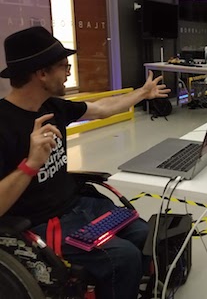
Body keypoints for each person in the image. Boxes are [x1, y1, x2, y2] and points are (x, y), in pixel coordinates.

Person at [0, 26, 171, 299]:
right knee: (123, 257)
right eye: (63, 66)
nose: (69, 72)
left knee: (143, 234)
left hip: (79, 205)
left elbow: (102, 108)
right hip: (41, 225)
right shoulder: (4, 124)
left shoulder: (53, 106)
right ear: (41, 74)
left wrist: (142, 93)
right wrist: (31, 164)